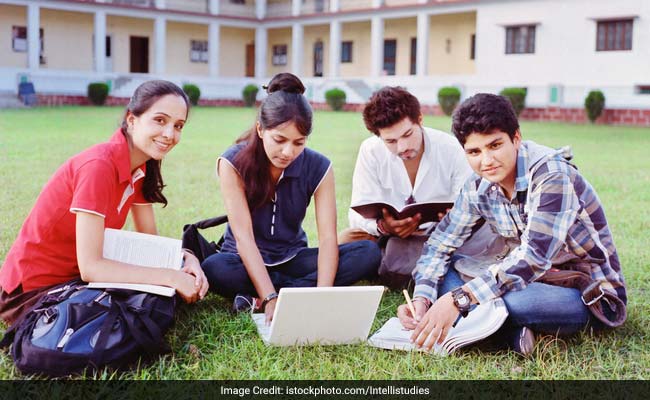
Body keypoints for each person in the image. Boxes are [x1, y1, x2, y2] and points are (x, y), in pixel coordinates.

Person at [397, 93, 627, 356]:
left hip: (582, 289)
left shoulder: (552, 175)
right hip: (523, 279)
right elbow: (439, 245)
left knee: (513, 299)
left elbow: (534, 258)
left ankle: (490, 324)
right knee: (446, 268)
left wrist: (458, 299)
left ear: (515, 138)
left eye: (494, 145)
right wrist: (422, 300)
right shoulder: (476, 186)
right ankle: (512, 332)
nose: (486, 161)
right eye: (474, 151)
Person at [0, 80, 209, 326]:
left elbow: (151, 243)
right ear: (132, 120)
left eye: (178, 125)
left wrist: (187, 259)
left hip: (76, 280)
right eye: (160, 120)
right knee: (139, 314)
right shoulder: (99, 166)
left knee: (151, 305)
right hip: (33, 291)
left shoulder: (140, 167)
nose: (169, 134)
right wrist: (170, 277)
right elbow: (92, 268)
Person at [201, 73, 381, 323]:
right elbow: (243, 238)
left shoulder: (319, 166)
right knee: (214, 268)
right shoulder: (232, 162)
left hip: (292, 257)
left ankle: (260, 298)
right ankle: (278, 294)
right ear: (260, 130)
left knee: (368, 253)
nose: (288, 152)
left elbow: (328, 238)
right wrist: (270, 298)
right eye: (279, 140)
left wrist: (322, 295)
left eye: (299, 142)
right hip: (242, 259)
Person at [338, 86, 473, 289]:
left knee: (479, 240)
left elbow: (469, 206)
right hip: (385, 235)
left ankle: (392, 265)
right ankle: (393, 261)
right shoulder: (370, 150)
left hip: (438, 236)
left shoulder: (450, 148)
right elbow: (356, 213)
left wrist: (449, 219)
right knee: (345, 240)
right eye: (390, 141)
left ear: (420, 119)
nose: (402, 147)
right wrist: (383, 227)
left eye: (408, 134)